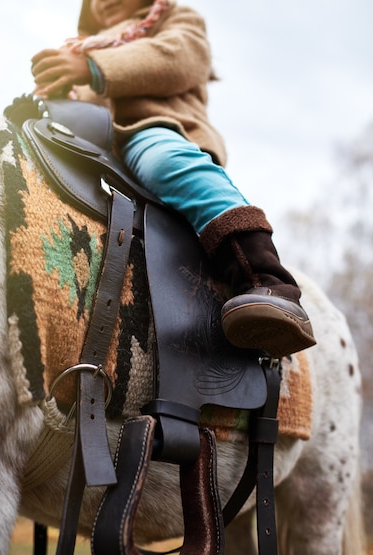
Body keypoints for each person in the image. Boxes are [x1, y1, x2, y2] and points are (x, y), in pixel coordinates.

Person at [31, 0, 316, 358]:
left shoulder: (174, 19)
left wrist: (92, 67)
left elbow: (178, 57)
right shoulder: (82, 45)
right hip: (96, 149)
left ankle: (265, 277)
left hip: (150, 130)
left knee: (163, 161)